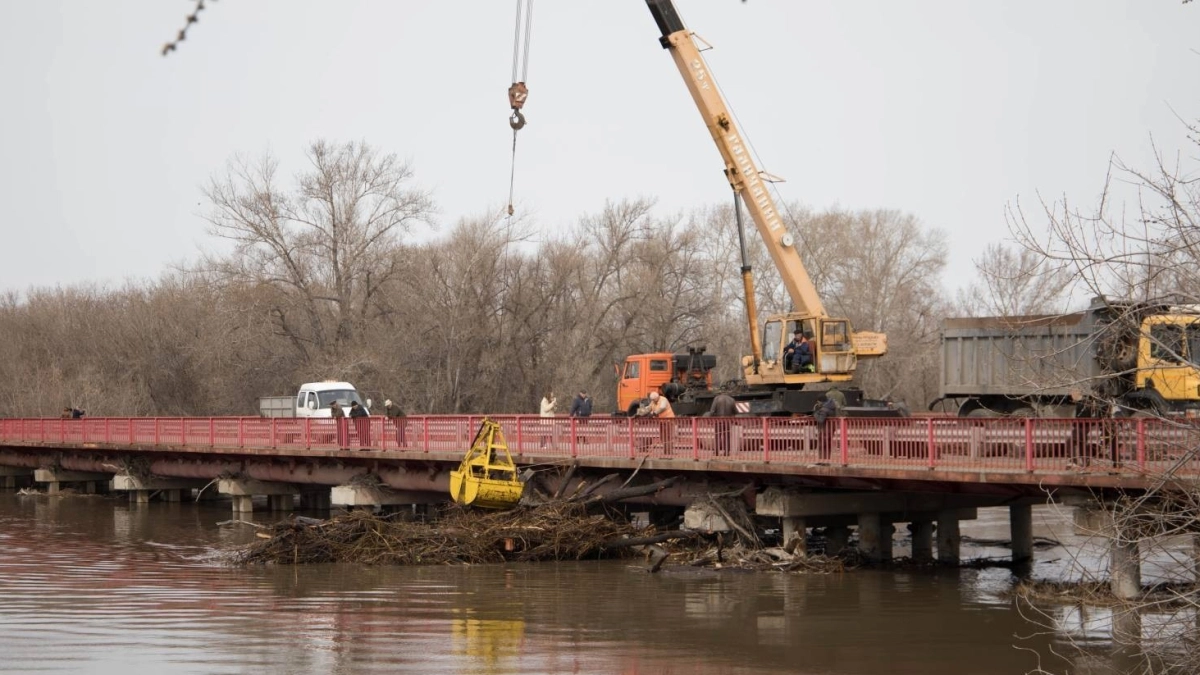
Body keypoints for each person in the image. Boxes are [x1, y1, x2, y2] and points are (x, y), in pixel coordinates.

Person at [706, 392, 737, 456]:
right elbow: (736, 411)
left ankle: (716, 451)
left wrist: (709, 420)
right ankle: (726, 452)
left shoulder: (716, 399)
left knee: (717, 436)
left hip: (718, 421)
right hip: (727, 421)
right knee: (727, 437)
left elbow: (712, 411)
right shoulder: (731, 399)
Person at [813, 395, 838, 461]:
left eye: (818, 402)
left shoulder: (824, 409)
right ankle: (826, 460)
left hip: (824, 429)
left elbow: (821, 420)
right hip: (831, 428)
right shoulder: (831, 406)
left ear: (821, 401)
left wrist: (815, 414)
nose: (817, 403)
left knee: (822, 445)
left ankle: (822, 460)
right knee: (827, 445)